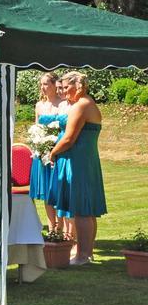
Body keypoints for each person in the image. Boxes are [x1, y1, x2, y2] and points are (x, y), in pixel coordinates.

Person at [48, 71, 106, 266]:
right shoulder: (85, 103)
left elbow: (69, 138)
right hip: (85, 160)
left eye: (66, 87)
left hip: (78, 161)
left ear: (78, 85)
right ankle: (87, 253)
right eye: (61, 88)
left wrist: (53, 152)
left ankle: (82, 256)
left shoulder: (81, 105)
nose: (63, 91)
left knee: (81, 210)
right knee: (86, 210)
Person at [30, 73, 68, 232]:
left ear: (54, 85)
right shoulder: (39, 105)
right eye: (41, 84)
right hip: (42, 153)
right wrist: (37, 144)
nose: (43, 87)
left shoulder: (63, 105)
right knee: (46, 192)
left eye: (46, 84)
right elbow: (36, 127)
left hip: (57, 151)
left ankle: (62, 226)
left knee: (58, 190)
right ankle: (52, 227)